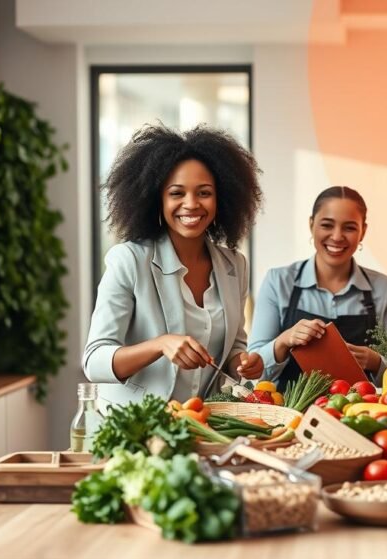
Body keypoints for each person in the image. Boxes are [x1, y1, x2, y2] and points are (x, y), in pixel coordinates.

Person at [83, 124, 264, 405]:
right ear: (157, 199)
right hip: (135, 427)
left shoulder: (234, 265)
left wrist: (243, 362)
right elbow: (94, 362)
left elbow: (234, 346)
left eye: (204, 192)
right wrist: (160, 344)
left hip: (201, 422)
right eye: (176, 193)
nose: (191, 204)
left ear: (221, 199)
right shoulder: (128, 261)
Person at [249, 186, 387, 390]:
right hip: (288, 415)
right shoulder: (278, 282)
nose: (337, 236)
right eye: (327, 225)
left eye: (349, 227)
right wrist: (284, 341)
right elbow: (253, 372)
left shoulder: (384, 289)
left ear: (363, 231)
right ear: (311, 224)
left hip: (357, 415)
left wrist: (375, 362)